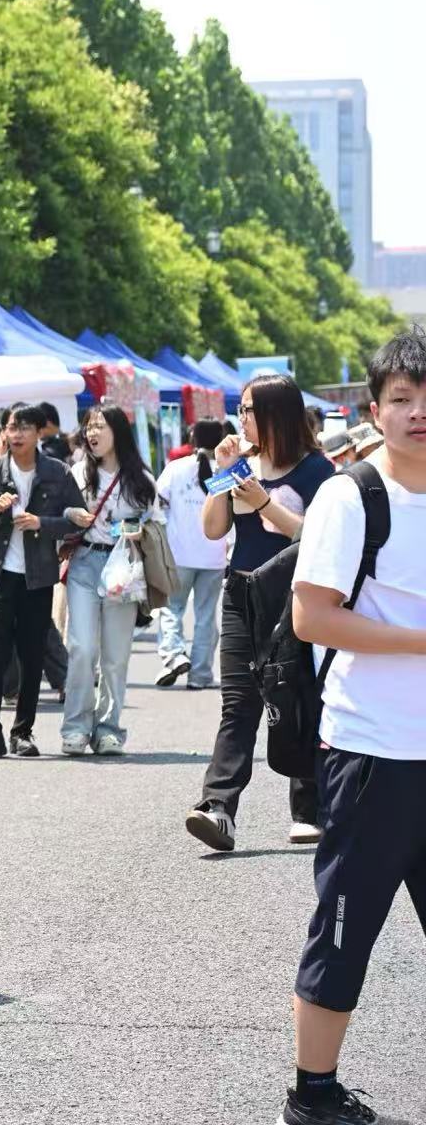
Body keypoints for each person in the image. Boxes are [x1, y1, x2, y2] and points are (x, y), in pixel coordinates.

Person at [278, 327, 426, 1125]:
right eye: (402, 398)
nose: (418, 412)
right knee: (344, 932)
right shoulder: (351, 496)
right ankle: (314, 1094)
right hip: (372, 753)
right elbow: (313, 617)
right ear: (374, 410)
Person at [186, 373, 334, 851]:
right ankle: (217, 807)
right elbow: (213, 529)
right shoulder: (241, 464)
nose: (242, 419)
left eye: (249, 410)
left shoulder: (318, 470)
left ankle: (309, 808)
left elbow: (317, 537)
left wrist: (265, 502)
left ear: (276, 414)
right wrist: (223, 472)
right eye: (241, 410)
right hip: (241, 592)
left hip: (295, 596)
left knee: (299, 697)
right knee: (238, 702)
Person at [0, 403, 83, 760]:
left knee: (32, 655)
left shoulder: (57, 472)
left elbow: (76, 520)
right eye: (11, 427)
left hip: (38, 576)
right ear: (3, 433)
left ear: (38, 432)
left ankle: (23, 732)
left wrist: (41, 523)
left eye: (24, 427)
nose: (16, 434)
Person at [59, 404, 157, 756]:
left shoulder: (141, 479)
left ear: (118, 431)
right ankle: (75, 728)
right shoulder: (77, 472)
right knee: (82, 648)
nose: (92, 433)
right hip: (85, 563)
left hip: (124, 568)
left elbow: (158, 522)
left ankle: (108, 729)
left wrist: (141, 532)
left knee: (115, 657)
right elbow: (59, 512)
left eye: (99, 426)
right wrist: (72, 514)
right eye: (88, 427)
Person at [153, 420, 230, 690]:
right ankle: (200, 674)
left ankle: (174, 654)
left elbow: (156, 503)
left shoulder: (176, 468)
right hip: (215, 555)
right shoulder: (225, 471)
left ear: (192, 437)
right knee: (206, 616)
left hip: (179, 554)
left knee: (171, 608)